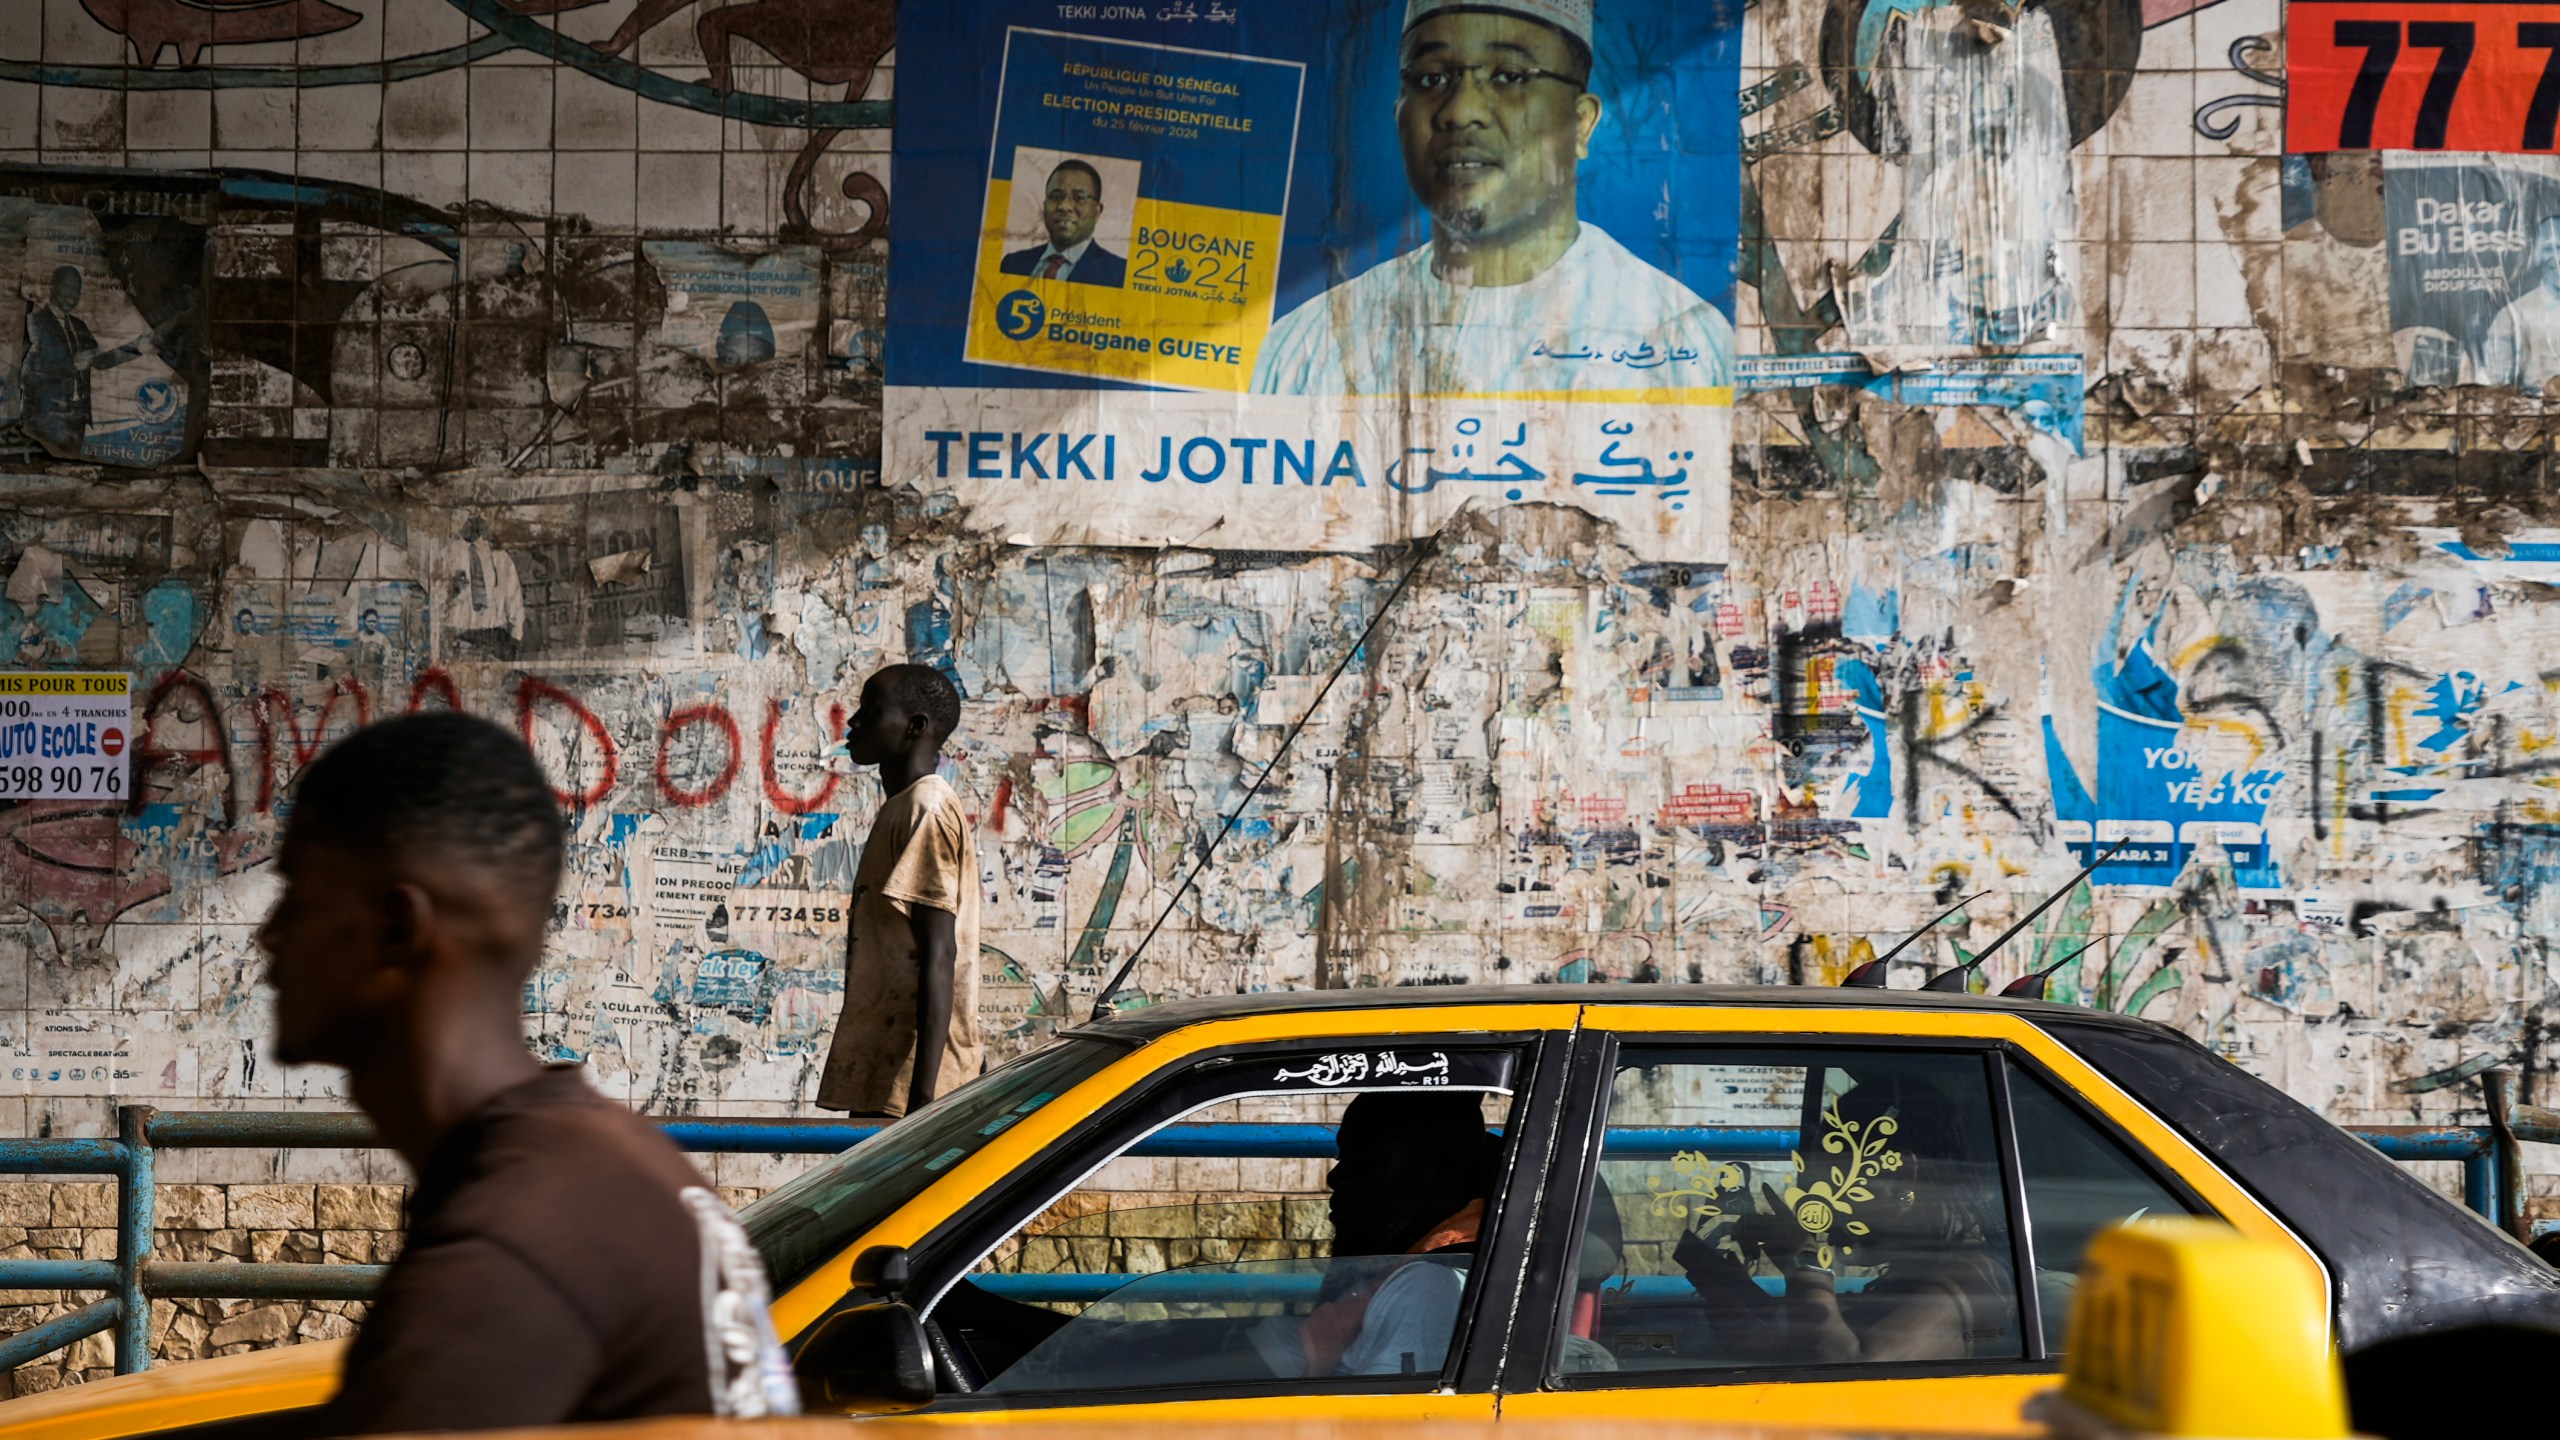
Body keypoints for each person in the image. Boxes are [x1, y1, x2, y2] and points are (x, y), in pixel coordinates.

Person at [257, 714, 799, 1433]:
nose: (270, 934)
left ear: (396, 929)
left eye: (297, 893)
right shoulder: (599, 1162)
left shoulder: (509, 1252)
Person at [1251, 0, 1731, 396]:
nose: (1460, 113)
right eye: (1431, 79)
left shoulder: (1679, 342)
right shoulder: (1309, 348)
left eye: (1510, 76)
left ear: (1580, 123)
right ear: (1398, 113)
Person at [1671, 1071, 2014, 1364]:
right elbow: (1822, 1341)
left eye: (1832, 1183)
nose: (1823, 1211)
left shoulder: (1970, 1278)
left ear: (1900, 1176)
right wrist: (1741, 1295)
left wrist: (1803, 1264)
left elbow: (1856, 1368)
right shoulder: (1912, 1273)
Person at [815, 663, 983, 1117]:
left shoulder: (926, 809)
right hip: (891, 1074)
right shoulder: (903, 806)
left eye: (870, 711)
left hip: (914, 1086)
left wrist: (923, 1106)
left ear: (915, 727)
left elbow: (939, 953)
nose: (853, 723)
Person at [1287, 1090, 1502, 1376]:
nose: (1336, 1177)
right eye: (1344, 1156)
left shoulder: (1423, 1288)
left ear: (1439, 1178)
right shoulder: (1391, 1273)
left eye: (1370, 1162)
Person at [21, 265, 156, 455]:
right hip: (47, 418)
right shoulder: (33, 322)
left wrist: (136, 347)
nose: (72, 293)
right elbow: (26, 375)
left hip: (77, 419)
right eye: (67, 286)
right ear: (53, 287)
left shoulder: (79, 326)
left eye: (76, 289)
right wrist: (71, 364)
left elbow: (99, 361)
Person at [998, 160, 1128, 288]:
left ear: (1097, 211)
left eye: (1079, 198)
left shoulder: (1120, 275)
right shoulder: (1011, 264)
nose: (1064, 206)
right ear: (1044, 206)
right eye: (1055, 197)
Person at [2483, 215, 2560, 391]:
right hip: (2536, 415)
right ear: (2536, 255)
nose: (2558, 257)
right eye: (2550, 248)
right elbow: (2496, 383)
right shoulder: (2512, 316)